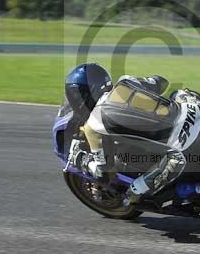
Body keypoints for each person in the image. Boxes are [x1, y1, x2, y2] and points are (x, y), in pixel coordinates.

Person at [63, 63, 192, 205]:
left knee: (132, 195)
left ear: (82, 95)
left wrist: (82, 159)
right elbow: (161, 82)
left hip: (180, 151)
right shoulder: (126, 82)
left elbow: (104, 175)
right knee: (177, 94)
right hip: (193, 110)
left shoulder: (93, 124)